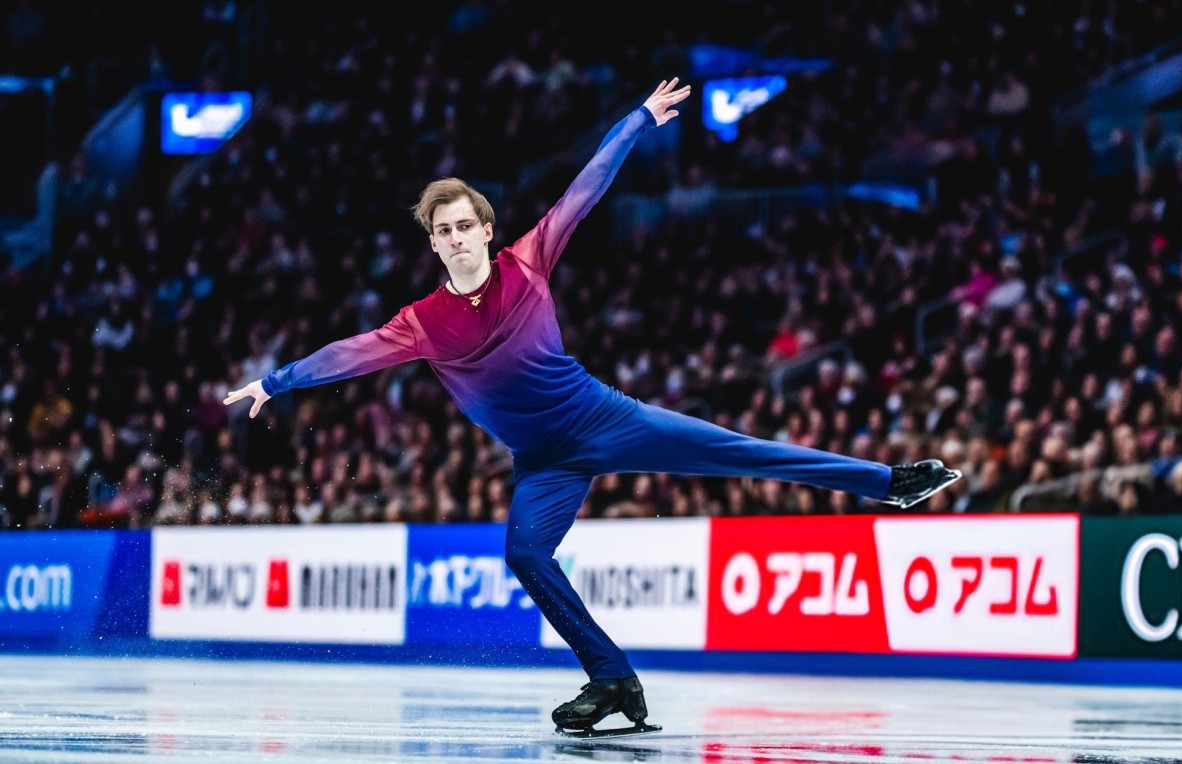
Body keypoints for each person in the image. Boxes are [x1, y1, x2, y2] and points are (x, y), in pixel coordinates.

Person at [223, 77, 962, 737]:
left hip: (602, 418)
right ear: (434, 244)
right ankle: (612, 678)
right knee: (523, 553)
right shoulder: (420, 324)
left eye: (464, 225)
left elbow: (588, 184)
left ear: (485, 230)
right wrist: (276, 383)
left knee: (735, 449)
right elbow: (348, 353)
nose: (454, 238)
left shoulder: (528, 260)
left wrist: (637, 119)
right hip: (543, 463)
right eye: (441, 231)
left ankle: (887, 483)